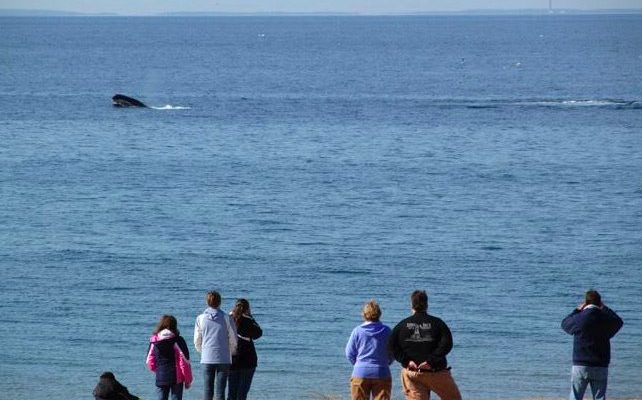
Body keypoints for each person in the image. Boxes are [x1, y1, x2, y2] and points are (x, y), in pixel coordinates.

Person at [388, 290, 462, 400]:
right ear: (427, 305)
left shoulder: (401, 325)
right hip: (436, 372)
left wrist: (406, 361)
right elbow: (447, 344)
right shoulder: (438, 323)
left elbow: (391, 345)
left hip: (412, 372)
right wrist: (430, 361)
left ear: (411, 305)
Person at [561, 289, 623, 400]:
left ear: (586, 303)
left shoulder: (579, 318)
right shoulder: (606, 318)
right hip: (600, 364)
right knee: (599, 397)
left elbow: (564, 323)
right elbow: (618, 321)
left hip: (581, 364)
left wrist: (576, 310)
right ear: (600, 303)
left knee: (575, 397)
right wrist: (605, 308)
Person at [345, 300, 394, 400]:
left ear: (364, 314)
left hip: (360, 372)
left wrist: (359, 364)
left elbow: (349, 353)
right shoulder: (387, 331)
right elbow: (393, 352)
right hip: (381, 371)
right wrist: (386, 362)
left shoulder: (357, 331)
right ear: (379, 314)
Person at [194, 290, 238, 400]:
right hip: (223, 358)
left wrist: (202, 351)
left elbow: (197, 340)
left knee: (207, 391)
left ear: (207, 302)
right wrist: (231, 351)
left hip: (207, 357)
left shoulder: (200, 318)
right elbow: (233, 338)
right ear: (220, 302)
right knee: (220, 392)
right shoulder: (227, 317)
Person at [146, 315, 193, 400]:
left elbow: (149, 360)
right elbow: (184, 362)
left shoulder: (154, 341)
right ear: (174, 326)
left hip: (161, 376)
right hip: (176, 378)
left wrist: (157, 371)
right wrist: (188, 380)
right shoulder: (178, 340)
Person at [228, 298, 263, 400]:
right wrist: (250, 317)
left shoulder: (229, 319)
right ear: (247, 309)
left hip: (232, 359)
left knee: (231, 393)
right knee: (242, 393)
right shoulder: (248, 321)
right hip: (248, 361)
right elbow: (258, 333)